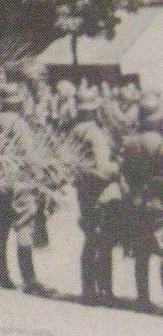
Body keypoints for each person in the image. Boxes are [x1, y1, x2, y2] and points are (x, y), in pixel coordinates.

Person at [0, 82, 52, 294]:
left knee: (1, 227)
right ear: (16, 104)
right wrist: (40, 176)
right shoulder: (19, 124)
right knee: (23, 227)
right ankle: (29, 280)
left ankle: (3, 275)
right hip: (18, 182)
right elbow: (29, 155)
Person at [67, 84, 119, 304]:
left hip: (83, 191)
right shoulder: (96, 133)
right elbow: (103, 167)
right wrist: (119, 168)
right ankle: (104, 290)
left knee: (90, 239)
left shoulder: (73, 131)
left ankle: (88, 289)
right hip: (99, 192)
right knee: (103, 241)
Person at [116, 92, 163, 309]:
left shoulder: (130, 142)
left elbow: (123, 173)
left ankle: (142, 298)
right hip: (158, 203)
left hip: (136, 203)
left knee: (142, 252)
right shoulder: (160, 143)